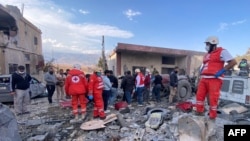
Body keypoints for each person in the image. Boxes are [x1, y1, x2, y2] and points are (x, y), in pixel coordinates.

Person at [195, 36, 237, 139]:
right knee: (199, 98)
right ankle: (199, 116)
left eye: (207, 44)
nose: (206, 46)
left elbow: (233, 62)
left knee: (213, 100)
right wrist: (200, 74)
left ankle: (212, 122)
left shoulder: (222, 51)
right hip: (204, 78)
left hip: (214, 79)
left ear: (213, 44)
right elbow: (204, 66)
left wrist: (222, 70)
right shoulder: (207, 54)